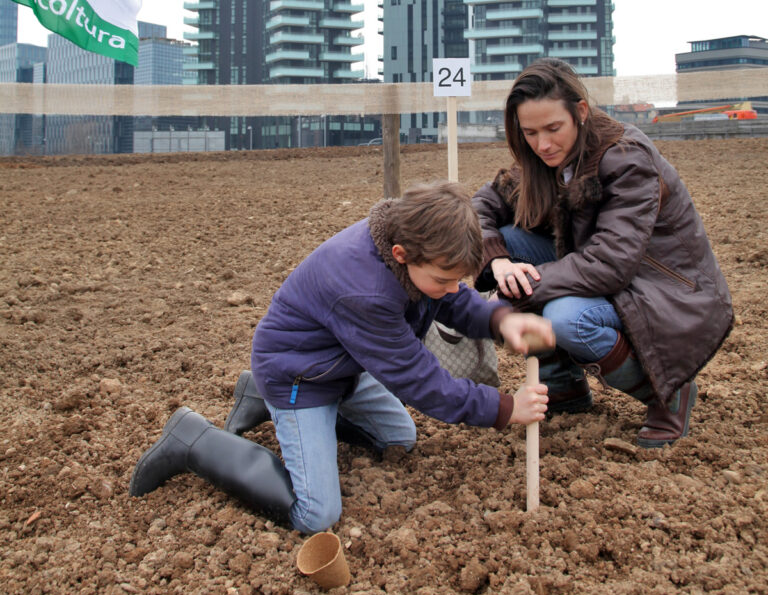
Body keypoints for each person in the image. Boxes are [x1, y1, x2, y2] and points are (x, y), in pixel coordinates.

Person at [130, 182, 553, 532]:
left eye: (455, 278)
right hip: (300, 377)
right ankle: (194, 439)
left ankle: (258, 395)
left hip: (341, 364)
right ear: (403, 255)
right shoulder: (365, 290)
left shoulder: (409, 247)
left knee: (399, 440)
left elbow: (450, 297)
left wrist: (501, 321)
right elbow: (420, 381)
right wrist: (503, 408)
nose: (450, 286)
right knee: (315, 514)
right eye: (443, 278)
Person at [472, 59, 733, 448]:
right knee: (510, 243)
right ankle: (563, 386)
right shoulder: (544, 160)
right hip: (599, 268)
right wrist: (498, 261)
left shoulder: (626, 159)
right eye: (530, 132)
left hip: (661, 286)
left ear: (579, 112)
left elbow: (611, 264)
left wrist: (522, 288)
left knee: (566, 318)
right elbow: (482, 206)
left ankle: (667, 395)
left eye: (552, 129)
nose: (542, 143)